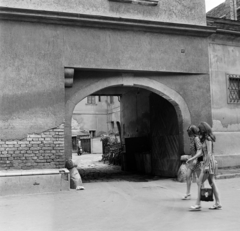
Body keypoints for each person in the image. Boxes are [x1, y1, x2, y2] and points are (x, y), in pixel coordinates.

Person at [187, 122, 221, 211]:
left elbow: (209, 153)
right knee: (212, 182)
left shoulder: (208, 139)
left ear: (203, 130)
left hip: (208, 163)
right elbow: (202, 152)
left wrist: (206, 166)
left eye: (200, 130)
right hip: (209, 162)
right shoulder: (206, 138)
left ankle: (198, 204)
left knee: (199, 182)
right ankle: (218, 203)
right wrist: (192, 159)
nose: (199, 132)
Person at [182, 125, 203, 200]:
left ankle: (202, 193)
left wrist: (195, 159)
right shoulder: (191, 139)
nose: (188, 134)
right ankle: (188, 193)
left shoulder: (196, 139)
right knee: (188, 176)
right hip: (192, 160)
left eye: (189, 132)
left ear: (193, 132)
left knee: (199, 179)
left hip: (196, 161)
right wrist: (190, 158)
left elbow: (199, 150)